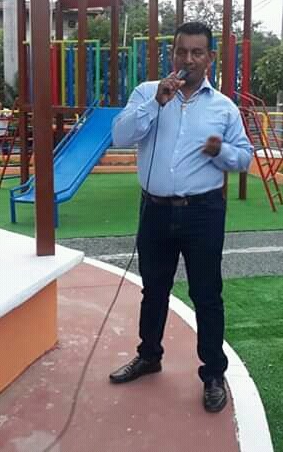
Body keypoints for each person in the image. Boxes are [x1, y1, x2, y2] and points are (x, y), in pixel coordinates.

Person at [109, 22, 253, 413]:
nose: (187, 59)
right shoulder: (147, 92)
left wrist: (221, 151)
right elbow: (120, 136)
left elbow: (244, 158)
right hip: (154, 209)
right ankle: (149, 355)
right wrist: (156, 103)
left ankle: (213, 374)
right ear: (172, 53)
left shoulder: (224, 107)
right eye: (181, 51)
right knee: (153, 288)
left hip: (203, 211)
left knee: (206, 294)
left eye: (196, 52)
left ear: (210, 58)